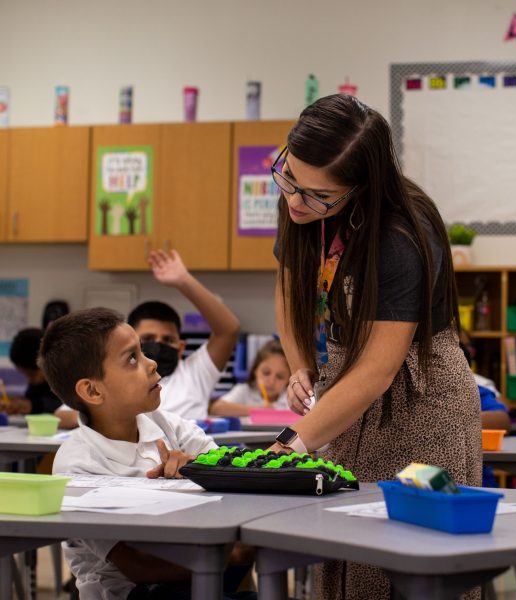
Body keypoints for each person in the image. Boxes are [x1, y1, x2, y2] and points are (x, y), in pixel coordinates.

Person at [271, 94, 482, 598]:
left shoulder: (400, 235)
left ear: (362, 187)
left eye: (318, 195)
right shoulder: (301, 200)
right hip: (349, 397)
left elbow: (377, 371)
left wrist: (289, 446)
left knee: (413, 559)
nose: (296, 202)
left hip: (423, 402)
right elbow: (286, 286)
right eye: (288, 179)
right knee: (347, 553)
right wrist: (301, 364)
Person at [43, 308, 253, 599]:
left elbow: (234, 474)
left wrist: (201, 468)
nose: (152, 363)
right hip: (135, 592)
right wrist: (235, 554)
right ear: (92, 391)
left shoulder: (166, 424)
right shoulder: (76, 464)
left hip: (195, 579)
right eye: (132, 358)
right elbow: (139, 566)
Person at [128, 249, 241, 420]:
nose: (158, 345)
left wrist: (184, 281)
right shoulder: (117, 379)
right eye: (148, 339)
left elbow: (228, 330)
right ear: (131, 345)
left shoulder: (195, 374)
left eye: (168, 340)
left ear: (180, 348)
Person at [209, 340, 290, 416]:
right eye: (266, 373)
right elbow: (216, 408)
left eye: (280, 377)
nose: (271, 381)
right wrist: (259, 410)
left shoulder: (290, 398)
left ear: (289, 379)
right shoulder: (244, 391)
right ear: (255, 370)